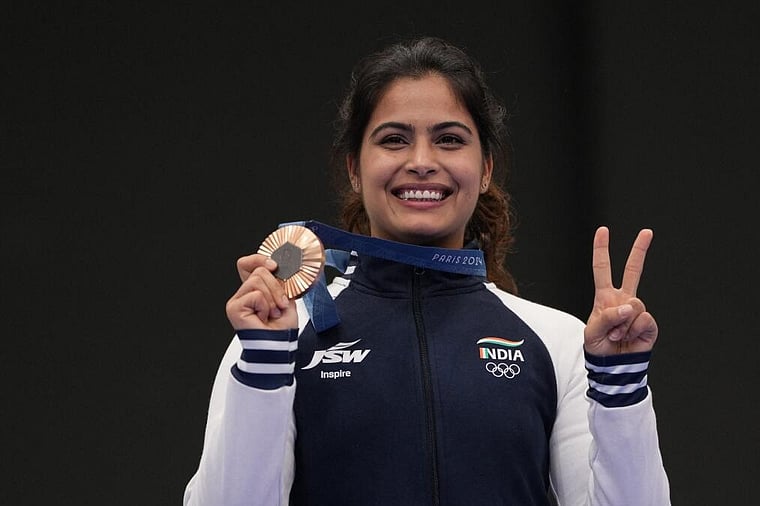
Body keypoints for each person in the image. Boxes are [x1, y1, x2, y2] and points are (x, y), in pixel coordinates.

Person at [184, 36, 670, 505]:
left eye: (449, 140)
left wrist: (620, 388)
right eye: (394, 140)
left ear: (485, 169)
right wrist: (264, 365)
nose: (421, 162)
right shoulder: (280, 335)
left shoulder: (559, 341)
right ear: (354, 169)